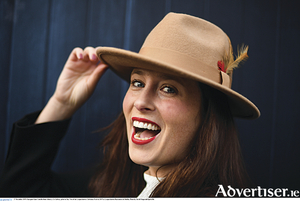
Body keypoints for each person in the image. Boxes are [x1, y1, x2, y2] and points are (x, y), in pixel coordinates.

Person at [0, 12, 260, 197]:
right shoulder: (108, 186)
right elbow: (22, 192)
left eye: (168, 89)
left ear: (207, 116)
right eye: (137, 83)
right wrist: (62, 102)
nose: (141, 102)